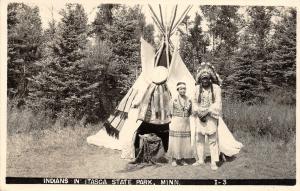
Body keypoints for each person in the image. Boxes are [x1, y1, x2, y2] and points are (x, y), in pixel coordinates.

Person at [191, 62, 222, 170]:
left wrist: (208, 111)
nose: (205, 80)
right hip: (199, 116)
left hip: (211, 116)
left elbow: (218, 103)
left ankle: (214, 161)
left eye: (207, 78)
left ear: (210, 79)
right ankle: (200, 160)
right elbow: (193, 102)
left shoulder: (216, 88)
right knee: (199, 139)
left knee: (212, 140)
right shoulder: (196, 89)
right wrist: (198, 111)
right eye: (203, 78)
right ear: (200, 79)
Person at [168, 82, 194, 166]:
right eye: (181, 89)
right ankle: (174, 159)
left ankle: (183, 159)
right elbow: (169, 112)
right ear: (177, 90)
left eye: (184, 89)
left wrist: (185, 116)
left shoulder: (189, 99)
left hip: (186, 122)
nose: (183, 90)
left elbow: (191, 112)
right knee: (176, 140)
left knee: (185, 141)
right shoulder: (173, 100)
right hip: (176, 121)